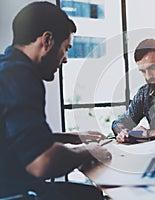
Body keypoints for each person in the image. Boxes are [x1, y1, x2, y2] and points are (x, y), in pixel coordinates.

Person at [0, 2, 111, 199]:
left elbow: (23, 139)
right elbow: (42, 162)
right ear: (47, 40)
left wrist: (75, 137)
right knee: (97, 196)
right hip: (17, 193)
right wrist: (89, 150)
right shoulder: (21, 76)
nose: (66, 59)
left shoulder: (6, 68)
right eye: (66, 48)